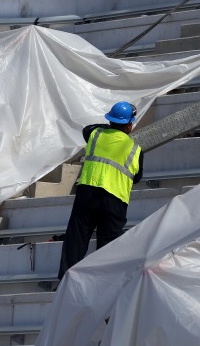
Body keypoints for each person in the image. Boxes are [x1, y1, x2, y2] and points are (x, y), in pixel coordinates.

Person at [57, 101, 144, 282]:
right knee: (108, 245)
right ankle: (103, 284)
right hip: (115, 200)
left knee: (77, 238)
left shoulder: (95, 134)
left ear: (110, 121)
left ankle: (66, 281)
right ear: (129, 125)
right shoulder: (135, 150)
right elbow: (136, 178)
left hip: (88, 193)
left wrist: (109, 126)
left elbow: (88, 128)